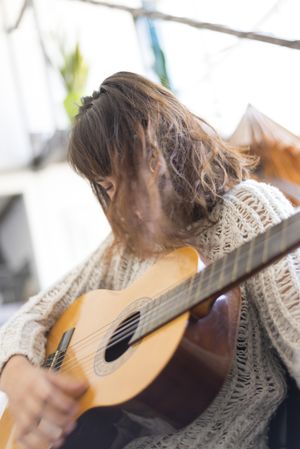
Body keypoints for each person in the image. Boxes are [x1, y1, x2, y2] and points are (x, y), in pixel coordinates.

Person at [0, 71, 300, 449]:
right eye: (109, 188)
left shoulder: (249, 211)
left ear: (169, 146)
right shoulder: (124, 247)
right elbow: (28, 316)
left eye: (132, 174)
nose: (126, 205)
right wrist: (18, 376)